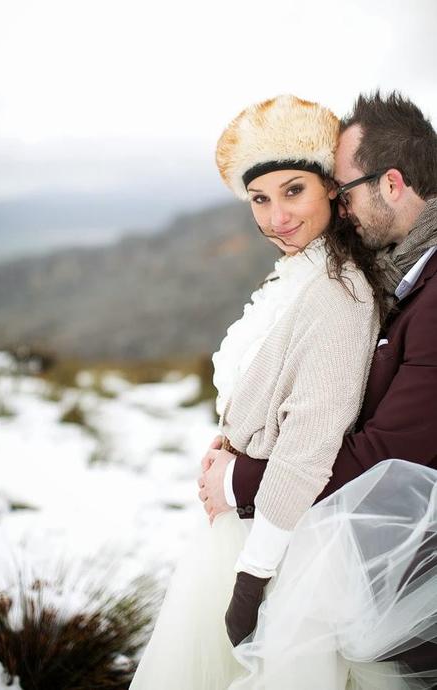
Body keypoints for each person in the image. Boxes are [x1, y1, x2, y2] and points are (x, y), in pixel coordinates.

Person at [129, 93, 385, 690]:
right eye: (260, 200)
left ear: (331, 189)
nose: (276, 218)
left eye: (294, 191)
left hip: (282, 544)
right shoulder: (297, 274)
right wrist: (230, 441)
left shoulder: (338, 293)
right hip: (247, 519)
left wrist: (252, 578)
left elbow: (311, 441)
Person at [201, 92, 437, 688]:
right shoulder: (368, 272)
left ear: (389, 183)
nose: (278, 216)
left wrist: (240, 483)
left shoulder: (353, 292)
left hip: (320, 543)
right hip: (290, 525)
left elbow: (379, 449)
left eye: (339, 188)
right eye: (259, 198)